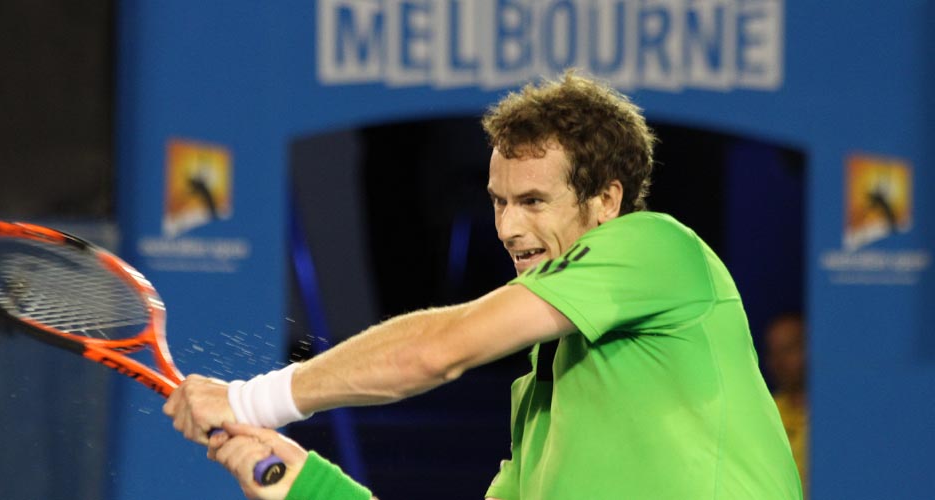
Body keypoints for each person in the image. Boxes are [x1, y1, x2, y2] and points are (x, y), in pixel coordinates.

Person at [164, 70, 803, 499]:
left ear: (607, 200)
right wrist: (302, 482)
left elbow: (437, 351)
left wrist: (252, 401)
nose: (508, 227)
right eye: (499, 201)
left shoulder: (656, 246)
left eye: (533, 201)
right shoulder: (542, 401)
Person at [764, 312, 809, 495]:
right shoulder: (764, 411)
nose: (779, 361)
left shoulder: (836, 413)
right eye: (774, 352)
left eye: (789, 349)